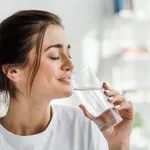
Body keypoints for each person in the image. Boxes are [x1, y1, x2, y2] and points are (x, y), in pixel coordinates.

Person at [0, 10, 134, 150]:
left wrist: (119, 143)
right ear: (14, 71)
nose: (70, 65)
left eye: (68, 54)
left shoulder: (85, 126)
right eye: (54, 56)